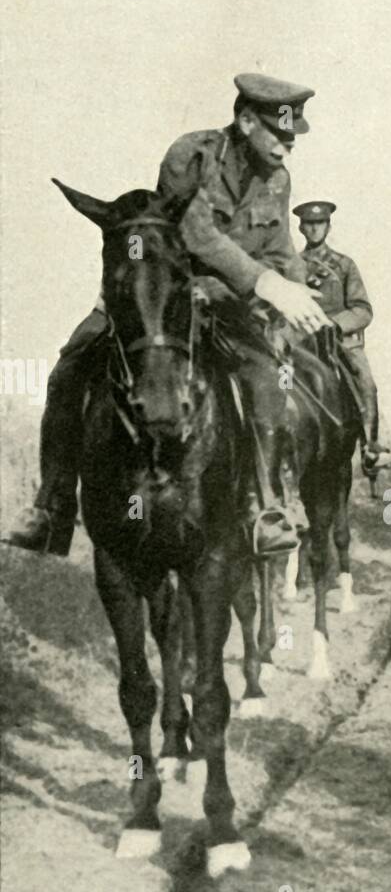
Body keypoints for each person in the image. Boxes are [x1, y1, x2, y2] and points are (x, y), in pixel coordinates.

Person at [6, 73, 328, 556]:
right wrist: (267, 284)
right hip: (165, 298)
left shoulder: (278, 180)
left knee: (267, 381)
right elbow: (195, 233)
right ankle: (51, 509)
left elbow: (283, 252)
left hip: (233, 307)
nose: (287, 147)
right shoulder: (190, 155)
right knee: (70, 368)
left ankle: (266, 507)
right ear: (244, 121)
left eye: (291, 138)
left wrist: (296, 300)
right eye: (278, 134)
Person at [292, 200, 386, 476]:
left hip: (339, 342)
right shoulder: (292, 267)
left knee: (366, 383)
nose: (314, 228)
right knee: (280, 376)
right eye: (309, 224)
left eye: (319, 223)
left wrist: (335, 324)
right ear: (301, 227)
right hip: (301, 341)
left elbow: (362, 309)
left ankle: (370, 446)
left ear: (328, 226)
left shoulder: (344, 265)